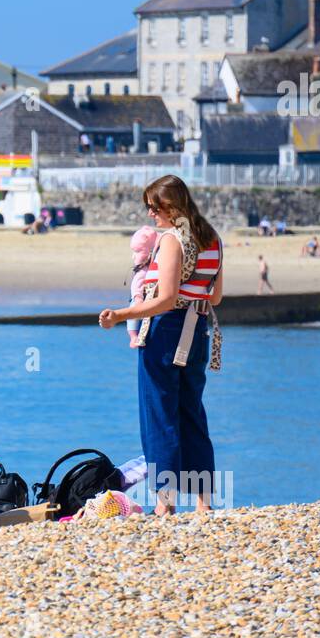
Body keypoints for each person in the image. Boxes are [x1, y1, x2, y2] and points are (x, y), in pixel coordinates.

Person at [98, 175, 222, 516]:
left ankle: (164, 504)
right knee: (191, 414)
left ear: (171, 206)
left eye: (155, 207)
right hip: (197, 333)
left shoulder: (171, 240)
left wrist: (121, 314)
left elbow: (166, 300)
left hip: (165, 333)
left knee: (160, 415)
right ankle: (203, 503)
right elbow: (216, 295)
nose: (151, 214)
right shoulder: (213, 238)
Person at [127, 225, 159, 347]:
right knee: (133, 309)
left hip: (150, 302)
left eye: (137, 252)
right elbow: (136, 286)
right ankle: (133, 336)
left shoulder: (152, 267)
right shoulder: (143, 271)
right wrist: (138, 299)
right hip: (140, 299)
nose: (133, 256)